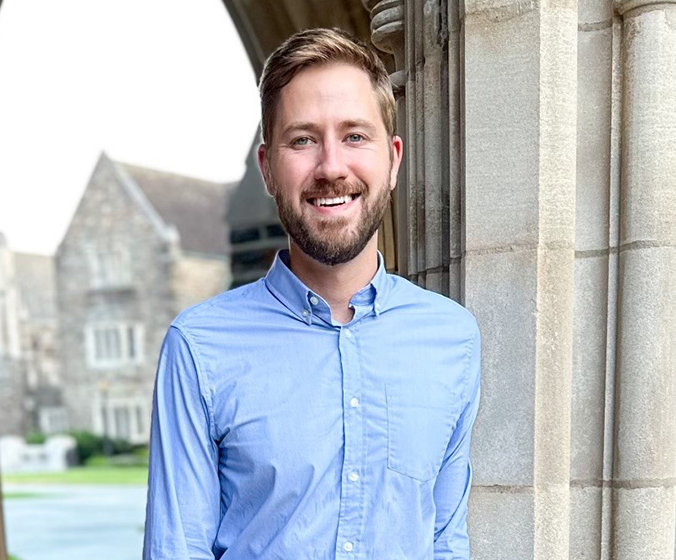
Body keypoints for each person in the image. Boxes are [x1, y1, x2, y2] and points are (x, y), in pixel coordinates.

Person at [143, 27, 481, 560]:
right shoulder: (199, 347)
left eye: (354, 136)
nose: (331, 167)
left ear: (392, 160)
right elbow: (176, 549)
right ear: (268, 169)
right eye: (302, 139)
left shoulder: (453, 338)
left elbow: (444, 538)